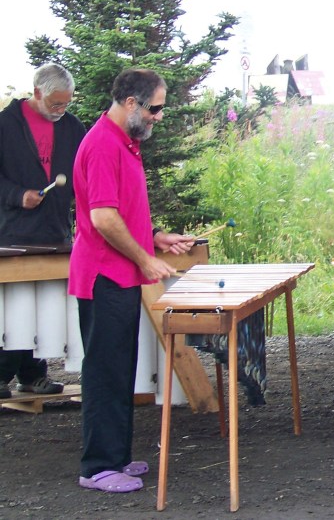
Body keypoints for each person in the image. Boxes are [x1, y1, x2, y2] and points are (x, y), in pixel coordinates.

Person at [70, 68, 195, 493]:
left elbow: (120, 210)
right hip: (103, 275)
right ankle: (98, 466)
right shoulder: (104, 144)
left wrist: (155, 237)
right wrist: (145, 259)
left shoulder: (125, 142)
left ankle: (116, 456)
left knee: (121, 368)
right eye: (155, 108)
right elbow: (102, 218)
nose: (158, 117)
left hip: (118, 274)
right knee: (105, 371)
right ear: (131, 104)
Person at [0, 63, 86, 400]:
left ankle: (33, 375)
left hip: (53, 232)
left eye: (66, 104)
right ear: (37, 93)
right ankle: (5, 373)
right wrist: (16, 195)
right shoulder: (6, 125)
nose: (61, 111)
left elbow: (85, 175)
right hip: (12, 235)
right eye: (55, 104)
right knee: (14, 312)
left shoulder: (72, 128)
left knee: (42, 312)